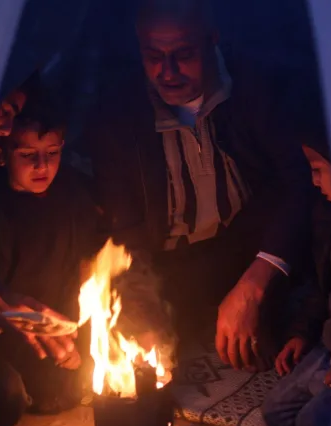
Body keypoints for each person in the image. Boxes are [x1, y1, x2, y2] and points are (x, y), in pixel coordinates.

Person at [79, 0, 314, 370]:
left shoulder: (253, 87)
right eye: (154, 57)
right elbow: (126, 228)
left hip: (245, 249)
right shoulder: (118, 113)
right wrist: (141, 301)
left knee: (262, 350)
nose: (168, 71)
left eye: (183, 55)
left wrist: (254, 285)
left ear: (212, 40)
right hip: (170, 264)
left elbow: (298, 182)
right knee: (127, 355)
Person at [0, 89, 101, 426]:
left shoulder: (72, 195)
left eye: (52, 153)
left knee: (79, 379)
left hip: (57, 325)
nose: (42, 166)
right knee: (8, 397)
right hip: (1, 331)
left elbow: (85, 268)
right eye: (28, 155)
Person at [262, 146, 331, 426]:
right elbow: (325, 285)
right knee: (277, 412)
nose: (315, 181)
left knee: (312, 425)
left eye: (319, 170)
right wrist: (303, 333)